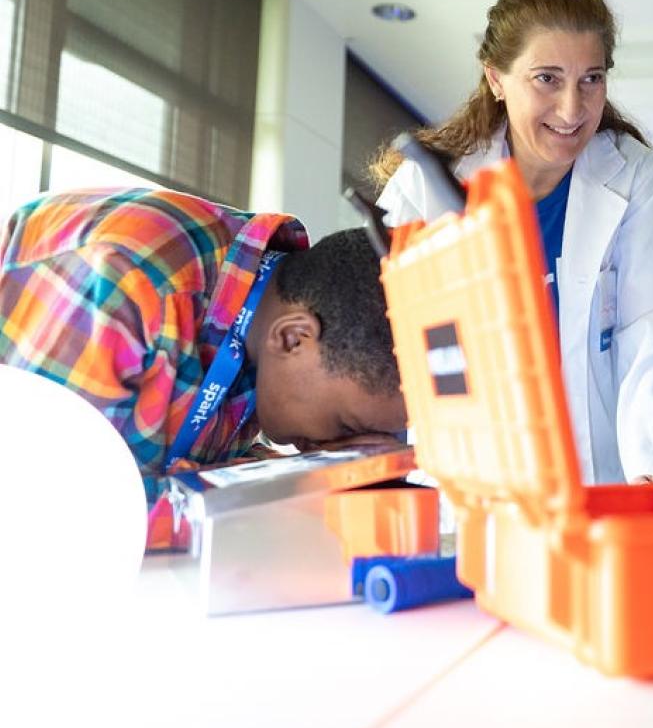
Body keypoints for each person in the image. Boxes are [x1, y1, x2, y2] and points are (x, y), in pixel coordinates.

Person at [372, 0, 653, 484]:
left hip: (598, 475)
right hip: (466, 474)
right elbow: (388, 350)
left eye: (591, 79)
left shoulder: (634, 176)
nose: (572, 109)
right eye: (547, 78)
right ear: (496, 79)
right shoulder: (426, 187)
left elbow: (651, 338)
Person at [0, 187, 408, 509]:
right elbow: (50, 497)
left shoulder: (260, 339)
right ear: (293, 338)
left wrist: (325, 476)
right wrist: (297, 490)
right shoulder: (132, 279)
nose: (339, 444)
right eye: (346, 426)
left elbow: (186, 472)